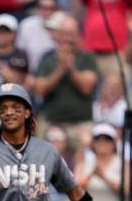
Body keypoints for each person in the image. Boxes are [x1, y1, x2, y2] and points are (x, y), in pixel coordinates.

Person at [35, 14, 99, 168]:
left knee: (84, 164)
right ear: (56, 34)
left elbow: (86, 88)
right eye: (63, 33)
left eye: (71, 33)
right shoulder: (47, 58)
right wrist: (60, 69)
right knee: (46, 164)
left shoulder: (86, 57)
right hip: (53, 122)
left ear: (78, 35)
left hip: (81, 124)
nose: (67, 38)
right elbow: (40, 90)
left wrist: (70, 68)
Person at [72, 123, 129, 201]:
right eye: (98, 139)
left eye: (107, 140)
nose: (102, 143)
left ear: (114, 143)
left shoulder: (123, 163)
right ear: (93, 143)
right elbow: (74, 191)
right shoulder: (84, 161)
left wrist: (104, 177)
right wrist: (90, 176)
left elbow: (127, 191)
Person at [16, 0, 57, 73]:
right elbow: (21, 51)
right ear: (38, 9)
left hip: (54, 72)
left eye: (51, 9)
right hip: (30, 72)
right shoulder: (26, 25)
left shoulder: (63, 26)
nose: (48, 12)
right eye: (44, 8)